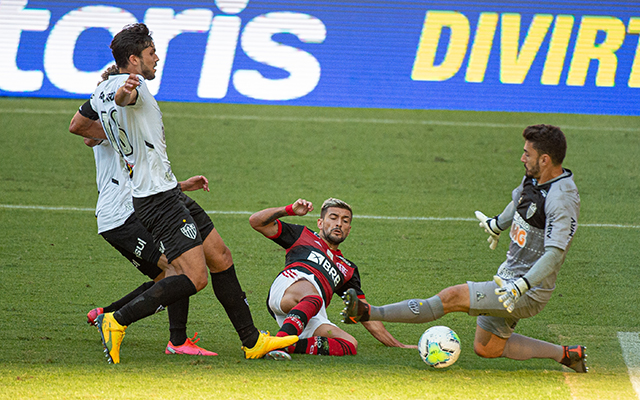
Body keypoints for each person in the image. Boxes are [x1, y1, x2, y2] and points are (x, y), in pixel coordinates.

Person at [69, 22, 297, 363]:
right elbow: (125, 99)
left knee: (220, 255)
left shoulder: (98, 91)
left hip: (166, 191)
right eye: (150, 53)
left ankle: (252, 341)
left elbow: (80, 123)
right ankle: (116, 319)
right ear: (133, 59)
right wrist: (125, 96)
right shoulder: (130, 87)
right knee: (192, 276)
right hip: (156, 201)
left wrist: (116, 132)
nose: (157, 58)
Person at [341, 124, 587, 373]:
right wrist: (497, 224)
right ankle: (567, 355)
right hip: (508, 278)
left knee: (451, 297)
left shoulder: (561, 199)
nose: (522, 158)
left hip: (527, 290)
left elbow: (555, 255)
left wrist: (520, 286)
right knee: (487, 348)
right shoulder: (535, 177)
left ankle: (367, 311)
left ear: (544, 160)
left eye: (527, 154)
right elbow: (520, 201)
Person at [69, 108, 217, 356]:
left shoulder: (129, 129)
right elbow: (86, 135)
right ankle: (175, 341)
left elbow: (138, 181)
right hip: (121, 216)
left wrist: (180, 186)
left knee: (166, 277)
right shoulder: (113, 123)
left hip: (126, 213)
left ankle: (105, 314)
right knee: (179, 270)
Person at [249, 197, 416, 358]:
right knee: (313, 296)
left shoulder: (348, 269)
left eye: (345, 220)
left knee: (349, 344)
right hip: (289, 288)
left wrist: (396, 344)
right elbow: (256, 221)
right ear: (320, 223)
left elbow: (361, 311)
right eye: (334, 218)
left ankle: (284, 344)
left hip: (310, 311)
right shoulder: (302, 235)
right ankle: (279, 342)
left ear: (349, 229)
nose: (339, 224)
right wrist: (289, 210)